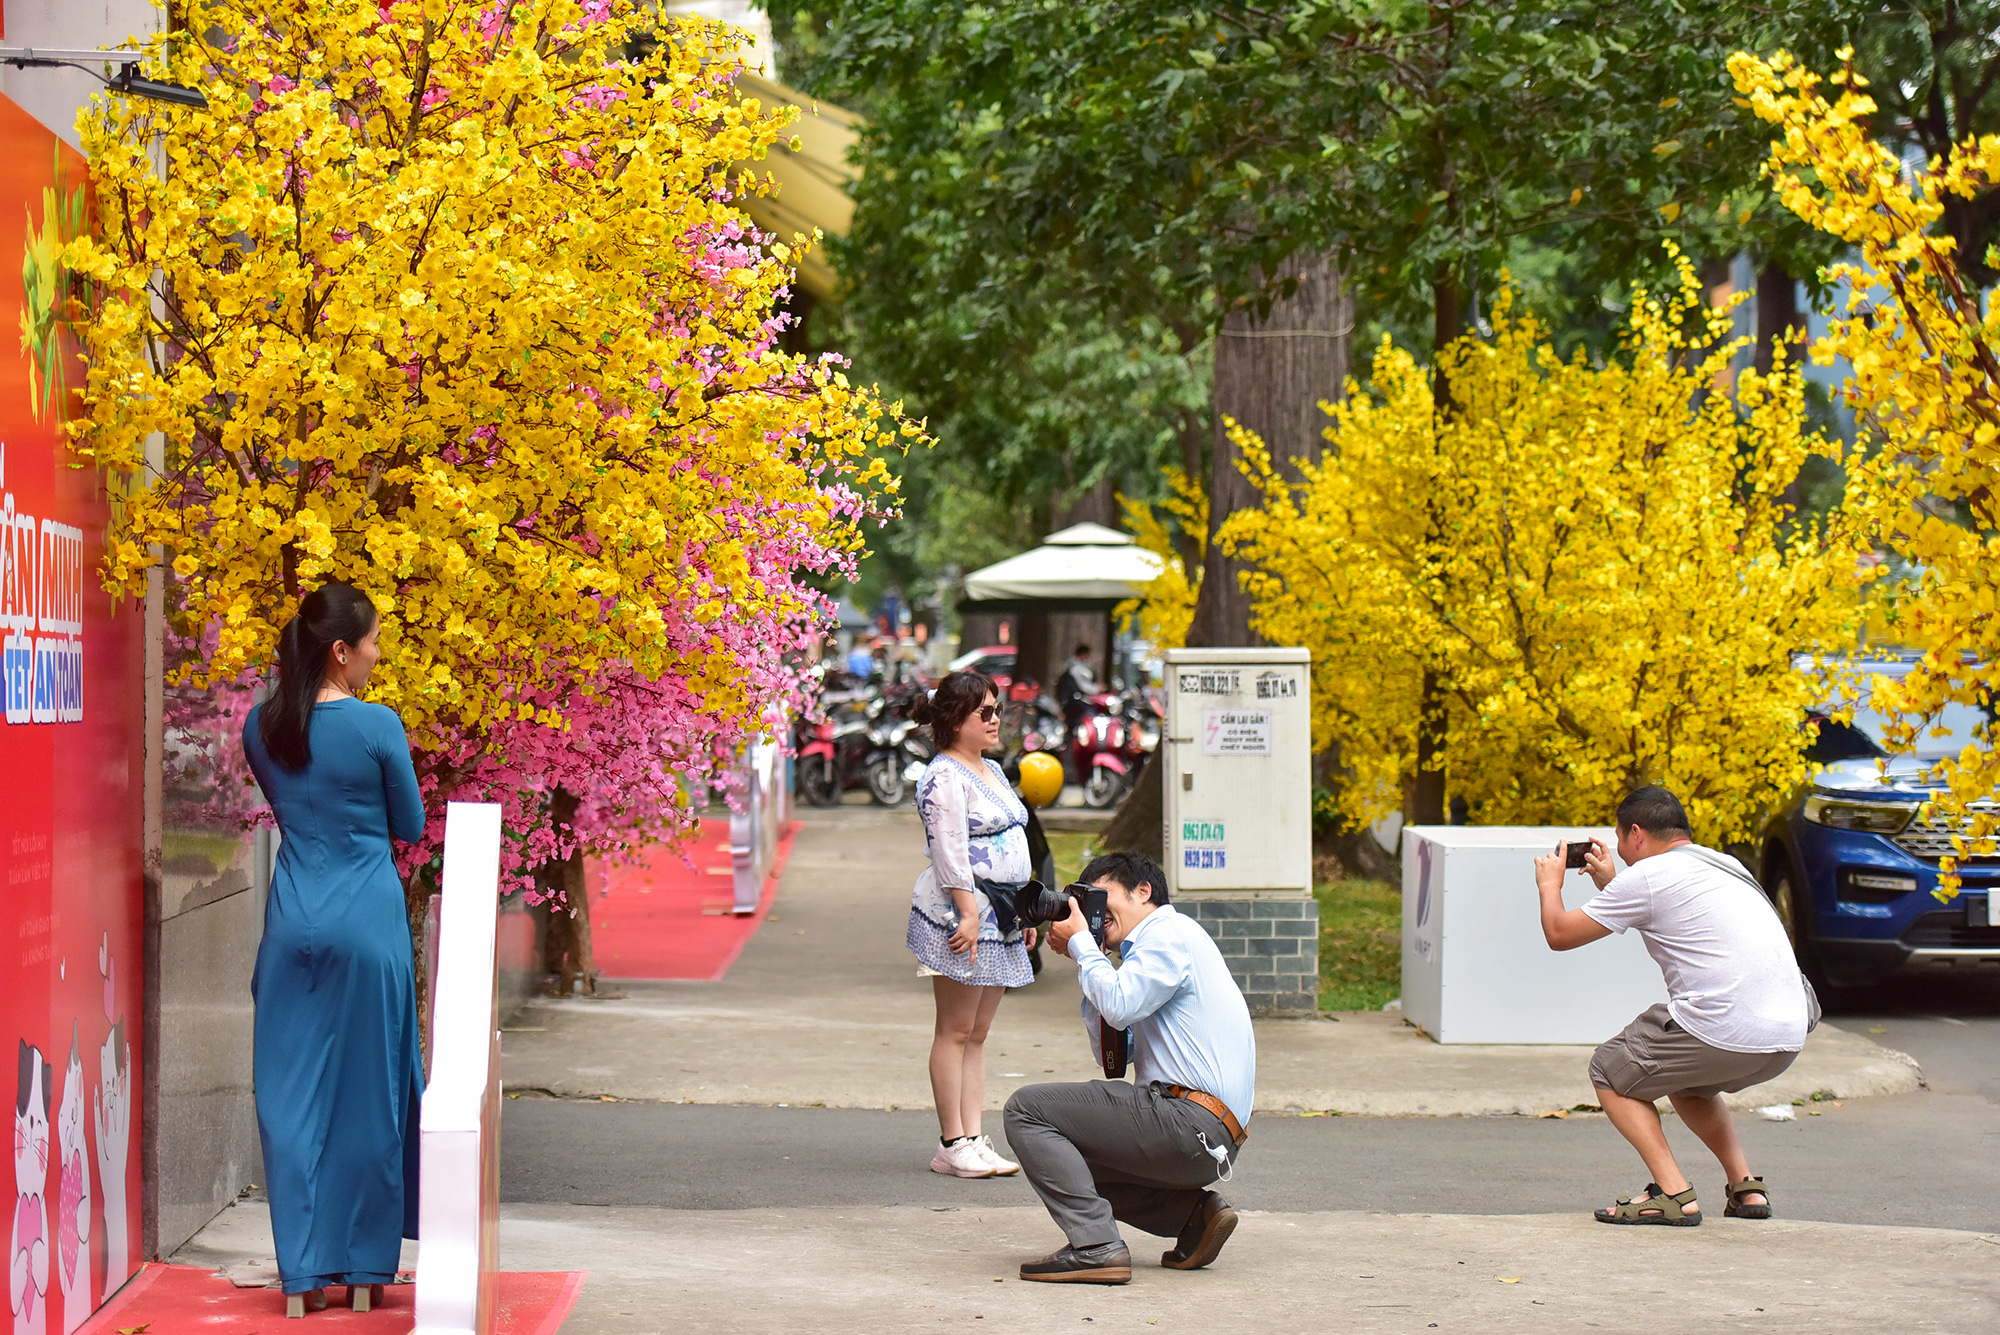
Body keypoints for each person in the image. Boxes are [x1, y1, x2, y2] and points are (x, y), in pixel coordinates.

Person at [241, 584, 426, 1315]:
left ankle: (302, 1276)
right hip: (367, 924)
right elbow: (408, 825)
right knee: (367, 1097)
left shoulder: (262, 727)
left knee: (290, 1098)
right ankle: (362, 1269)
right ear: (342, 650)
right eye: (374, 641)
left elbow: (293, 804)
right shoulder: (379, 726)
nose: (380, 655)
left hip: (291, 924)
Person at [1535, 785, 1817, 1228]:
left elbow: (1559, 933)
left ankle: (1673, 1193)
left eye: (1621, 840)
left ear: (1636, 833)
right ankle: (1746, 1187)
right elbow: (1668, 913)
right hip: (1786, 1037)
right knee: (1687, 1083)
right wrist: (1614, 882)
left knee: (1609, 1068)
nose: (1623, 853)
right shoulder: (1726, 864)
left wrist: (1549, 883)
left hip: (1725, 1030)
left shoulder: (1646, 877)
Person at [1003, 852, 1255, 1285]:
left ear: (1144, 891)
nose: (1092, 913)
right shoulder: (1151, 954)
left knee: (1027, 1110)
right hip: (1206, 1138)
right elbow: (1113, 1059)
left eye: (1099, 898)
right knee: (1068, 1150)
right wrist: (1091, 956)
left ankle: (1096, 1245)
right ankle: (1195, 1215)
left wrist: (1083, 946)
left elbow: (1119, 1006)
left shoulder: (1167, 932)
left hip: (1188, 1121)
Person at [908, 670, 1038, 1179]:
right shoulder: (942, 776)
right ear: (954, 719)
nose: (995, 720)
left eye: (997, 710)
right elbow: (949, 851)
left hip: (1001, 914)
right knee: (956, 1029)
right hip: (965, 916)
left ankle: (973, 1136)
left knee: (978, 1032)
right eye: (984, 712)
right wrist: (966, 910)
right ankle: (952, 1141)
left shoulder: (989, 769)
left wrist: (1025, 909)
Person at [1055, 643, 1098, 730]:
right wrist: (1097, 689)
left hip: (1069, 702)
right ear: (1083, 655)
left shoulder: (1069, 666)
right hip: (1075, 703)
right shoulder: (1076, 669)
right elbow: (1083, 686)